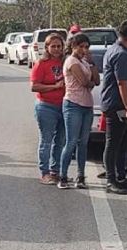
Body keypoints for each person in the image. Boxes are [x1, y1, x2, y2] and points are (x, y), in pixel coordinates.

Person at [100, 20, 127, 194]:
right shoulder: (121, 54)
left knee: (123, 143)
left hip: (116, 105)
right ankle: (111, 180)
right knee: (113, 143)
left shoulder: (114, 49)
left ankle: (121, 177)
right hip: (117, 106)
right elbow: (122, 83)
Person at [57, 34, 100, 189]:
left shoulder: (85, 62)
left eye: (86, 47)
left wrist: (93, 64)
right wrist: (90, 82)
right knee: (71, 141)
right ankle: (62, 176)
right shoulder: (71, 61)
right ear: (73, 46)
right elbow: (85, 82)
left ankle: (80, 176)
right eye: (81, 46)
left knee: (83, 143)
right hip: (73, 104)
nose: (84, 50)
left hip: (87, 106)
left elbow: (96, 80)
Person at [30, 33, 66, 184]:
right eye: (53, 46)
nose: (56, 49)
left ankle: (55, 171)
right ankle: (44, 173)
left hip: (64, 106)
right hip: (46, 106)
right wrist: (53, 87)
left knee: (61, 141)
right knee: (46, 140)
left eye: (59, 46)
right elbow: (34, 86)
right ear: (47, 47)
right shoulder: (41, 63)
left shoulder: (66, 62)